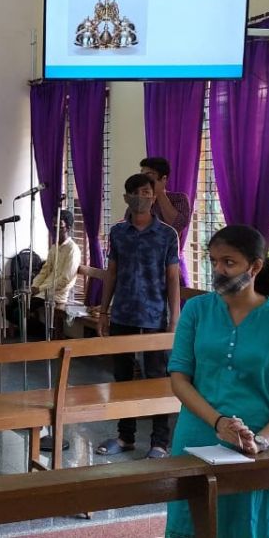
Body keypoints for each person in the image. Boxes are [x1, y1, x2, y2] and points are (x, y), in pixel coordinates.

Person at [164, 225, 269, 538]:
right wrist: (219, 423)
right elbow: (179, 379)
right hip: (199, 432)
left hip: (259, 440)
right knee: (196, 523)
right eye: (214, 261)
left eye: (228, 262)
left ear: (255, 267)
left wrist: (260, 441)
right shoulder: (197, 311)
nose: (218, 270)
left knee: (255, 525)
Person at [93, 173, 180, 459]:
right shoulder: (118, 232)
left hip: (155, 316)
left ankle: (160, 442)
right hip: (123, 314)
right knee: (123, 378)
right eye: (135, 193)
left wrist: (174, 319)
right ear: (126, 197)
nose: (141, 197)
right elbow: (112, 273)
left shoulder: (167, 234)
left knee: (157, 378)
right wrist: (103, 311)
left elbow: (172, 279)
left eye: (146, 192)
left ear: (154, 196)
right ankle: (125, 436)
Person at [6, 210, 80, 341]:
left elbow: (65, 280)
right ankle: (39, 332)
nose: (55, 228)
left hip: (56, 293)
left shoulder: (72, 250)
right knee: (9, 308)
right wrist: (34, 286)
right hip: (43, 291)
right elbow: (44, 271)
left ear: (68, 227)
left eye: (59, 225)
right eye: (54, 225)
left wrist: (40, 288)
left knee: (19, 311)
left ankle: (40, 334)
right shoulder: (54, 247)